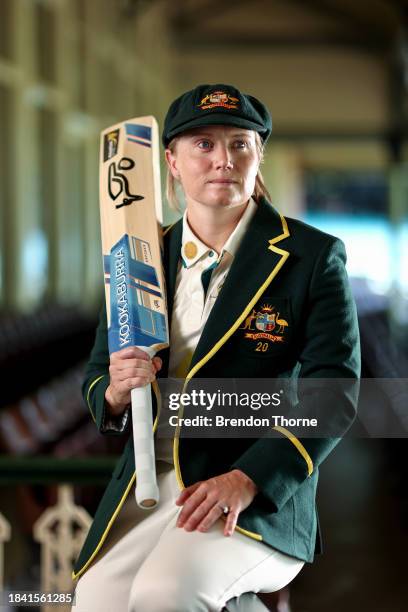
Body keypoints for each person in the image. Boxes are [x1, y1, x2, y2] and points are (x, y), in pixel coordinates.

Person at [72, 83, 360, 611]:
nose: (223, 160)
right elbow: (97, 379)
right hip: (152, 481)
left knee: (166, 594)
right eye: (202, 144)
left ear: (258, 156)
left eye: (239, 144)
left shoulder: (311, 257)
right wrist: (115, 389)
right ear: (173, 163)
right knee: (95, 600)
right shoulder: (136, 255)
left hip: (253, 488)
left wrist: (249, 479)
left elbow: (333, 393)